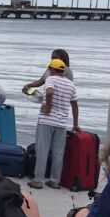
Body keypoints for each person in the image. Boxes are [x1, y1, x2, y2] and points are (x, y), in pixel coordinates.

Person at [28, 58, 79, 190]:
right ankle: (54, 180)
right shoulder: (71, 84)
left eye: (49, 69)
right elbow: (74, 106)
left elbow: (49, 92)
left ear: (52, 69)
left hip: (46, 121)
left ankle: (38, 180)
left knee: (42, 150)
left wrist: (48, 107)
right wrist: (75, 124)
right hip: (62, 123)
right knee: (58, 153)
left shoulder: (51, 79)